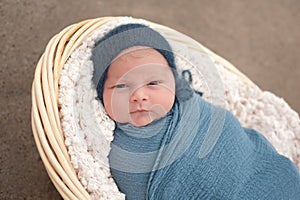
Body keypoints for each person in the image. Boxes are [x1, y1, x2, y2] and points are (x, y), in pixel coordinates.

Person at [92, 23, 300, 199]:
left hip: (260, 173)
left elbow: (229, 132)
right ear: (101, 94)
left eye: (153, 82)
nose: (139, 96)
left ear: (174, 82)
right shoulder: (116, 149)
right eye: (121, 86)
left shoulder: (190, 103)